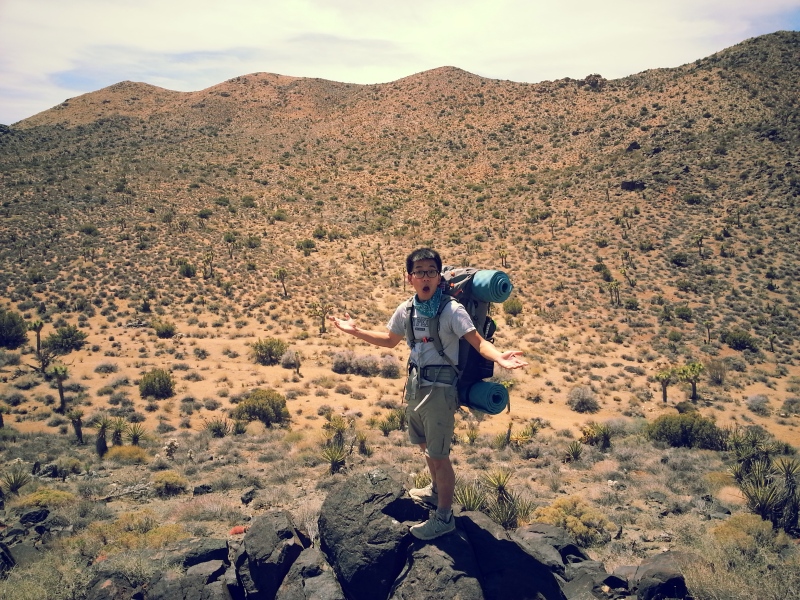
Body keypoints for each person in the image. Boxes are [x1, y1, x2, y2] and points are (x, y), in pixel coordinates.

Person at [329, 247, 527, 540]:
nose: (426, 277)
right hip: (414, 386)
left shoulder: (452, 310)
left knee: (440, 456)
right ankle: (435, 492)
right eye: (419, 271)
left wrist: (498, 357)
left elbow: (477, 341)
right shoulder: (406, 309)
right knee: (423, 445)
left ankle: (444, 517)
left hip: (440, 390)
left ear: (438, 276)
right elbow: (389, 340)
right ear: (409, 278)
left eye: (431, 271)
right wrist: (354, 331)